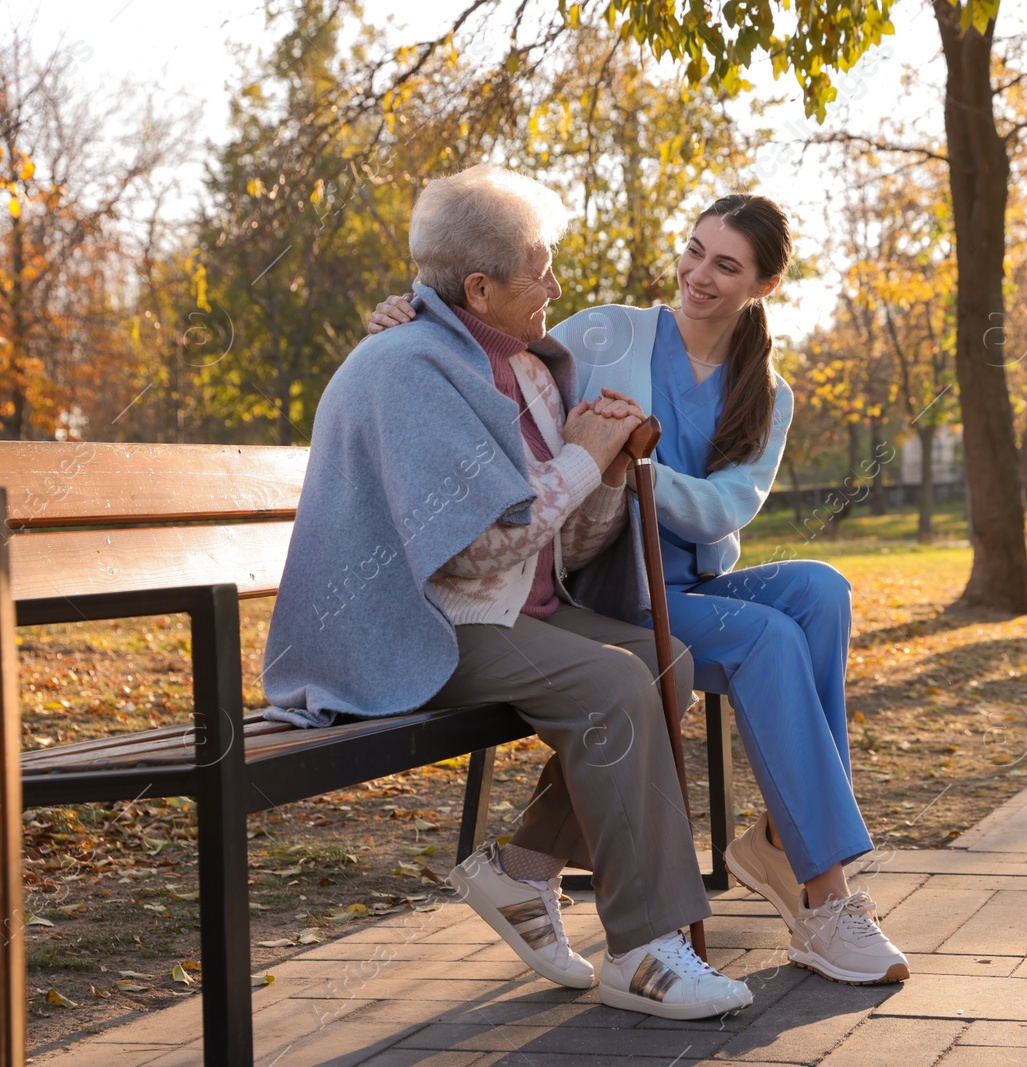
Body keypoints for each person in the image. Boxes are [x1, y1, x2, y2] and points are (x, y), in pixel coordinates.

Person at [368, 193, 910, 985]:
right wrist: (413, 317)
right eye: (693, 251)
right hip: (606, 583)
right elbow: (501, 355)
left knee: (821, 592)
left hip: (691, 583)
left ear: (761, 286)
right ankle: (824, 896)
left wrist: (642, 469)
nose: (697, 273)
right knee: (768, 638)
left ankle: (780, 843)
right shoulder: (607, 330)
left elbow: (729, 507)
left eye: (726, 265)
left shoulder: (768, 391)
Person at [264, 164, 752, 1021]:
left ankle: (521, 870)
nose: (556, 286)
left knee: (666, 657)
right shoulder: (407, 368)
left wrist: (605, 466)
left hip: (514, 602)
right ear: (481, 287)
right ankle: (643, 951)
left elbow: (567, 539)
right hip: (424, 622)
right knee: (611, 687)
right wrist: (581, 459)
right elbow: (474, 551)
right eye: (541, 268)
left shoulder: (522, 366)